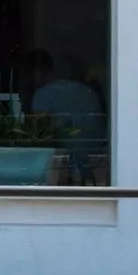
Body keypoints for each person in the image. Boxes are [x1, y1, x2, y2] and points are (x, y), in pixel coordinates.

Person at [28, 49, 107, 178]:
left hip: (66, 170)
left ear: (37, 73)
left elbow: (38, 136)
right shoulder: (88, 92)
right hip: (99, 167)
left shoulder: (43, 95)